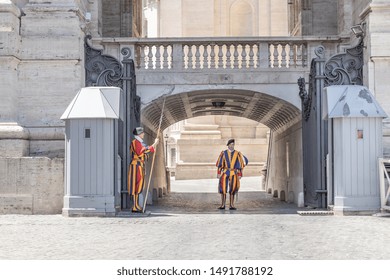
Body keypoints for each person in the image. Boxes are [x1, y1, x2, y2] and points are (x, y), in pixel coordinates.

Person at [128, 127, 159, 213]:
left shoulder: (140, 142)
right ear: (138, 134)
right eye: (142, 133)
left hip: (140, 165)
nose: (143, 134)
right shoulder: (135, 142)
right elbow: (141, 151)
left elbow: (146, 150)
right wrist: (154, 144)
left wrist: (152, 148)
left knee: (139, 185)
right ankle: (134, 206)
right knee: (135, 185)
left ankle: (136, 204)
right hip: (135, 166)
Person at [216, 139, 248, 210]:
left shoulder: (237, 153)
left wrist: (240, 174)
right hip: (225, 172)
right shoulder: (223, 153)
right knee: (223, 188)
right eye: (230, 144)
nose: (232, 146)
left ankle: (231, 205)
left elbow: (240, 164)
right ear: (228, 145)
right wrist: (218, 173)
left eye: (233, 144)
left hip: (234, 172)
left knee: (233, 189)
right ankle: (222, 204)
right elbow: (220, 164)